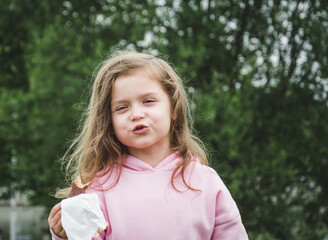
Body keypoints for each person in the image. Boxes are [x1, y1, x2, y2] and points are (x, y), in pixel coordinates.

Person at [48, 51, 248, 240]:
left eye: (148, 101)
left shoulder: (206, 182)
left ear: (173, 108)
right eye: (122, 107)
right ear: (108, 121)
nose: (136, 114)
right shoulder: (98, 187)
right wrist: (67, 234)